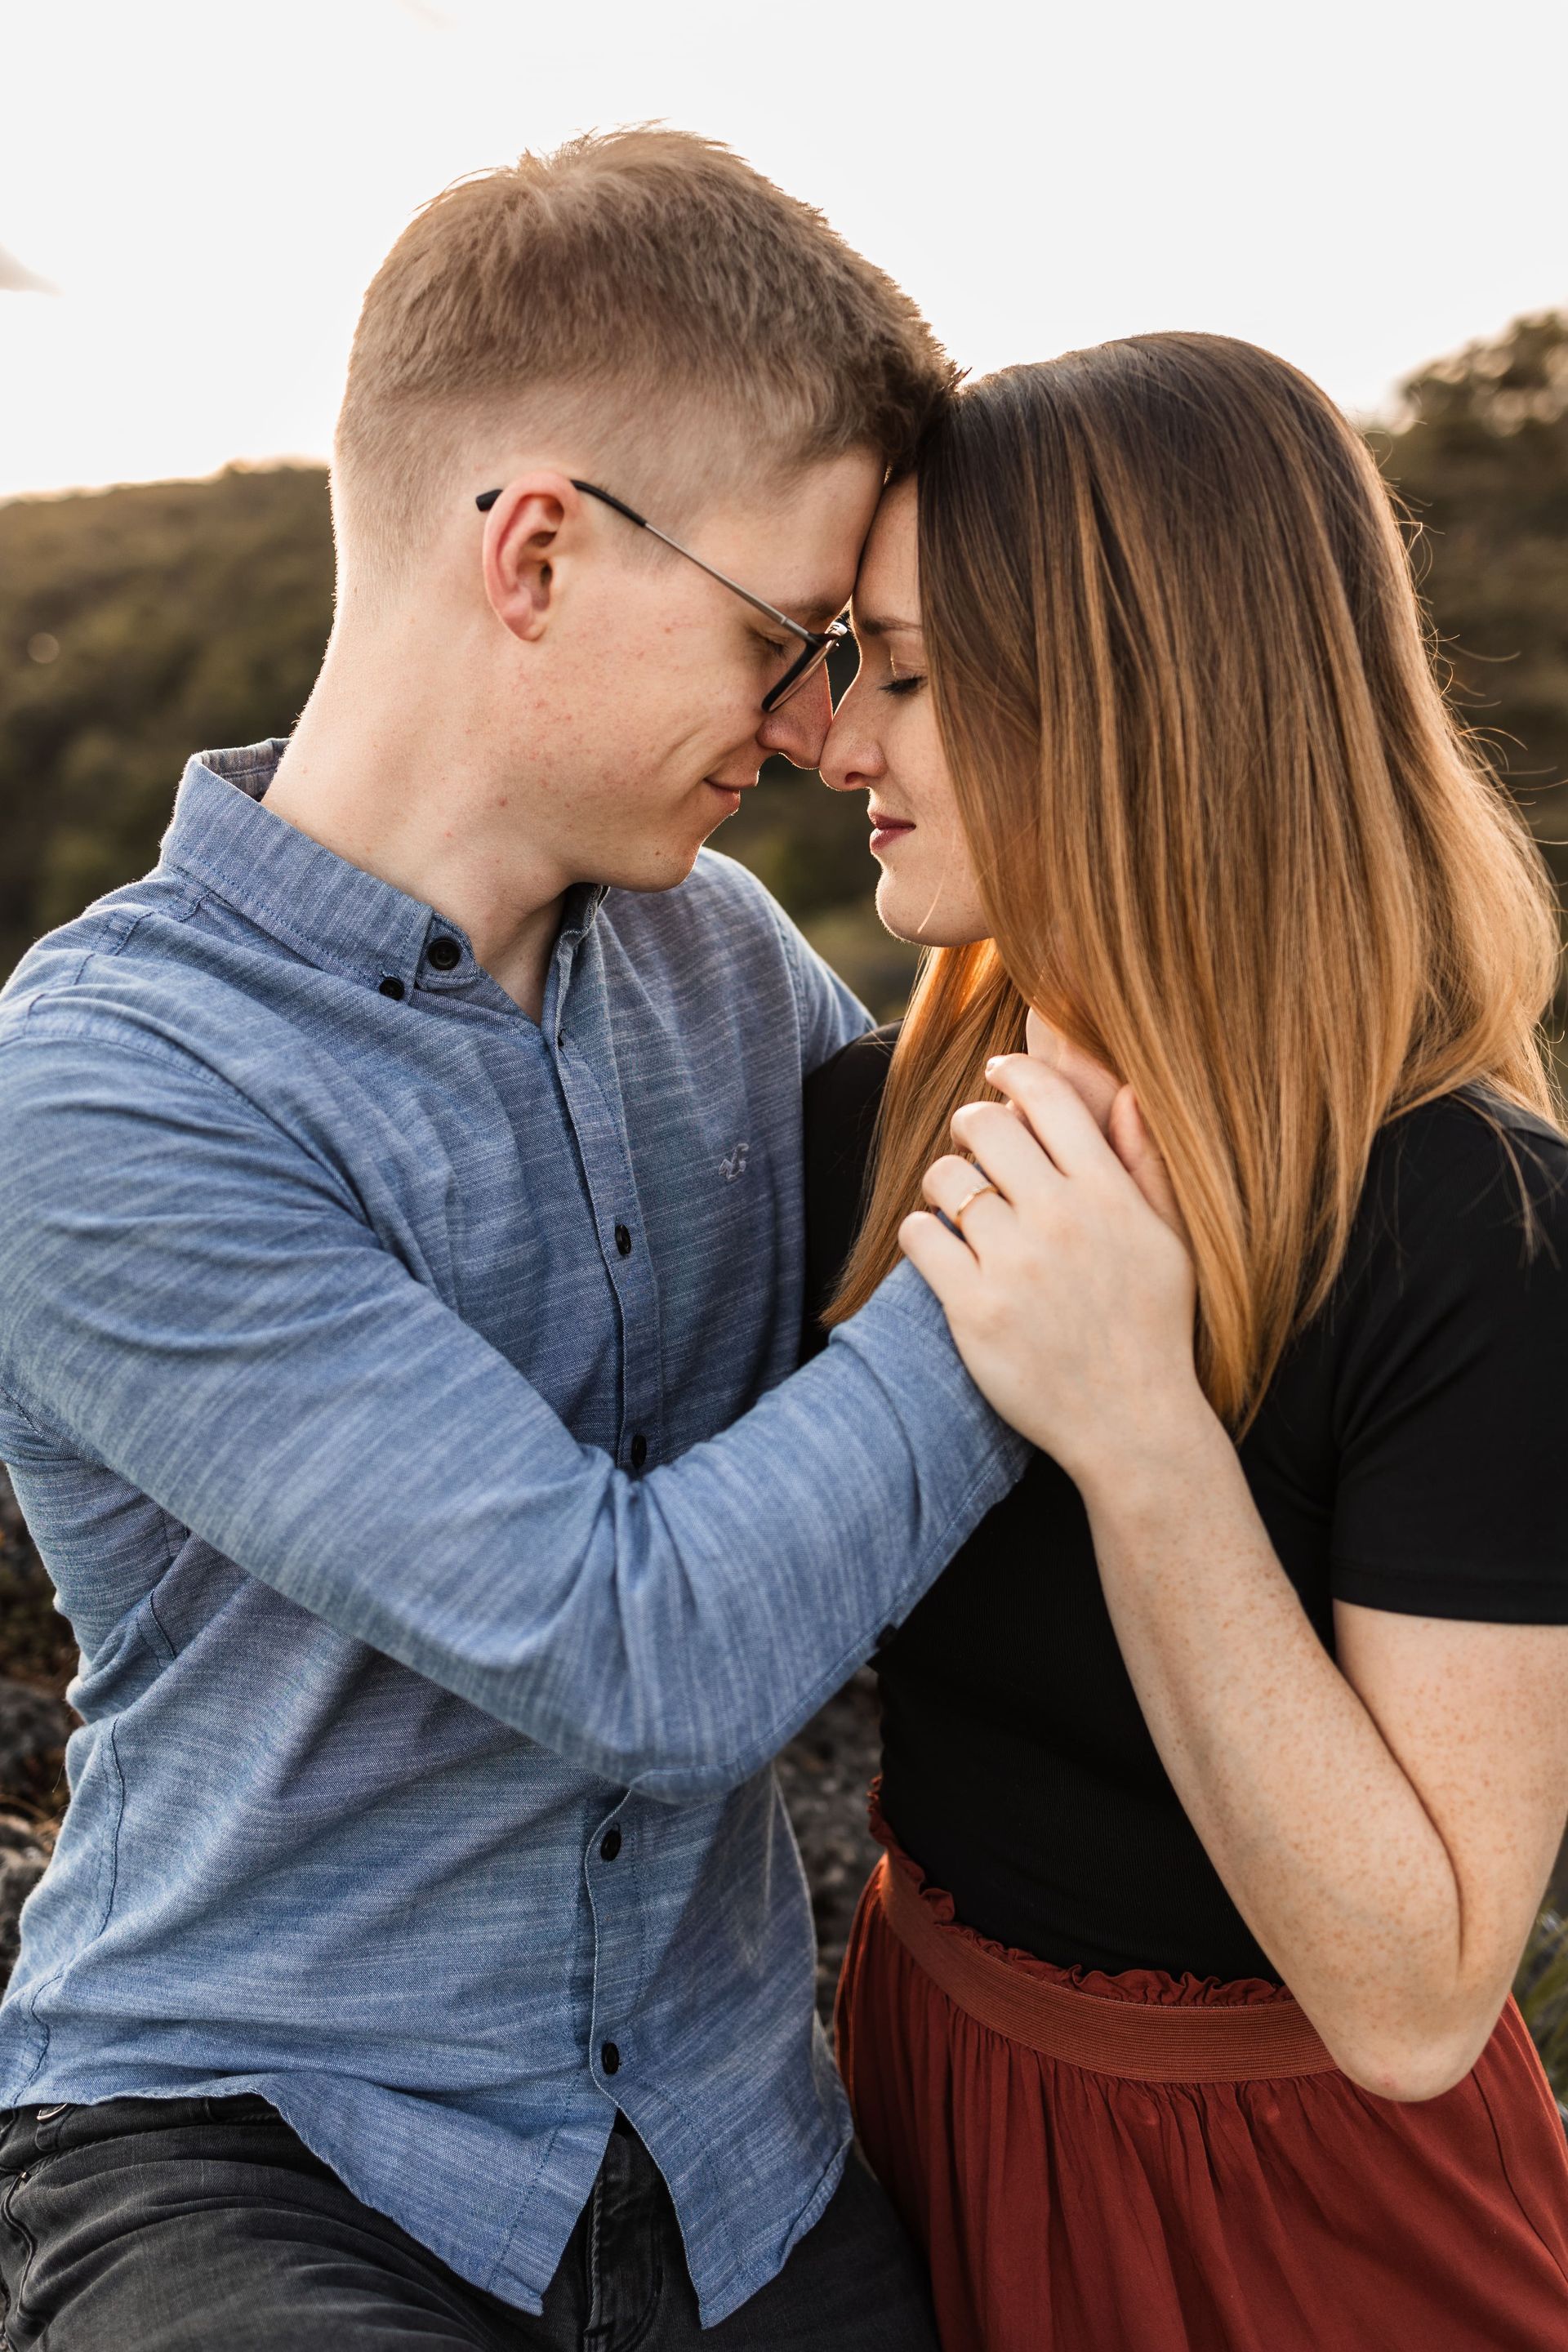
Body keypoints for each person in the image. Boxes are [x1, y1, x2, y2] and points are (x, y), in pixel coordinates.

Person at [0, 131, 1032, 2352]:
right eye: (782, 637)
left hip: (741, 2152)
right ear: (540, 553)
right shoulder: (102, 1088)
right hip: (261, 2155)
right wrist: (1025, 1255)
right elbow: (631, 1655)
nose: (812, 727)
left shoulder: (734, 962)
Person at [805, 335, 1568, 2352]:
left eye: (901, 667)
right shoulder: (873, 1127)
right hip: (915, 2104)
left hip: (1297, 2222)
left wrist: (1139, 1426)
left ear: (1116, 697)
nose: (837, 742)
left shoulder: (1467, 1229)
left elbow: (1419, 2000)